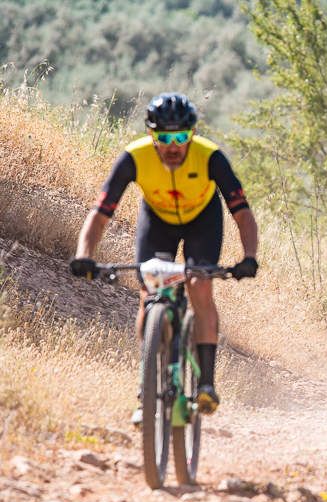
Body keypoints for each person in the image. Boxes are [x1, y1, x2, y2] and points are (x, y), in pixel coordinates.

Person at [70, 92, 259, 418]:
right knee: (150, 291)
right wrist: (84, 254)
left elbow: (242, 212)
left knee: (200, 285)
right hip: (157, 222)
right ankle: (148, 387)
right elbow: (100, 213)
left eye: (181, 137)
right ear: (151, 135)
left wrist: (249, 256)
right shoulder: (134, 157)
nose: (173, 146)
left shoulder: (210, 157)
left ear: (193, 135)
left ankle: (206, 385)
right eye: (164, 137)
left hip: (203, 220)